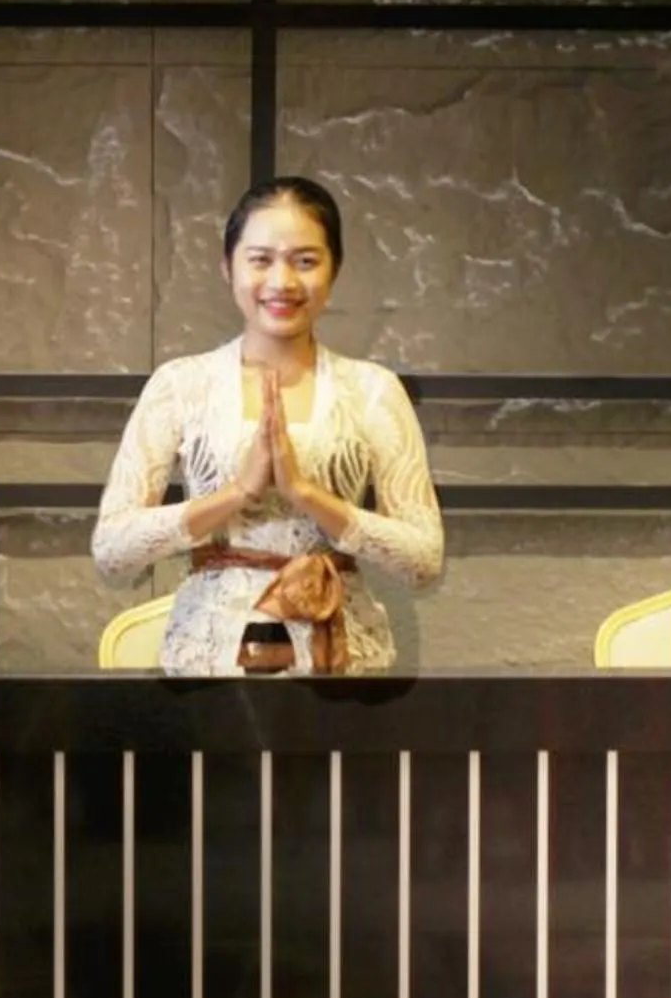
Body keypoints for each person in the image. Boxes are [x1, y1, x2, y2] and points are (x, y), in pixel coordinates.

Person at [92, 176, 445, 675]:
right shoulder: (180, 384)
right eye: (260, 260)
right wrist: (235, 493)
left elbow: (424, 561)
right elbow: (112, 550)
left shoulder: (373, 390)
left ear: (334, 269)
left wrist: (306, 494)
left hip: (343, 668)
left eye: (305, 261)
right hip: (209, 665)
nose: (281, 282)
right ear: (227, 267)